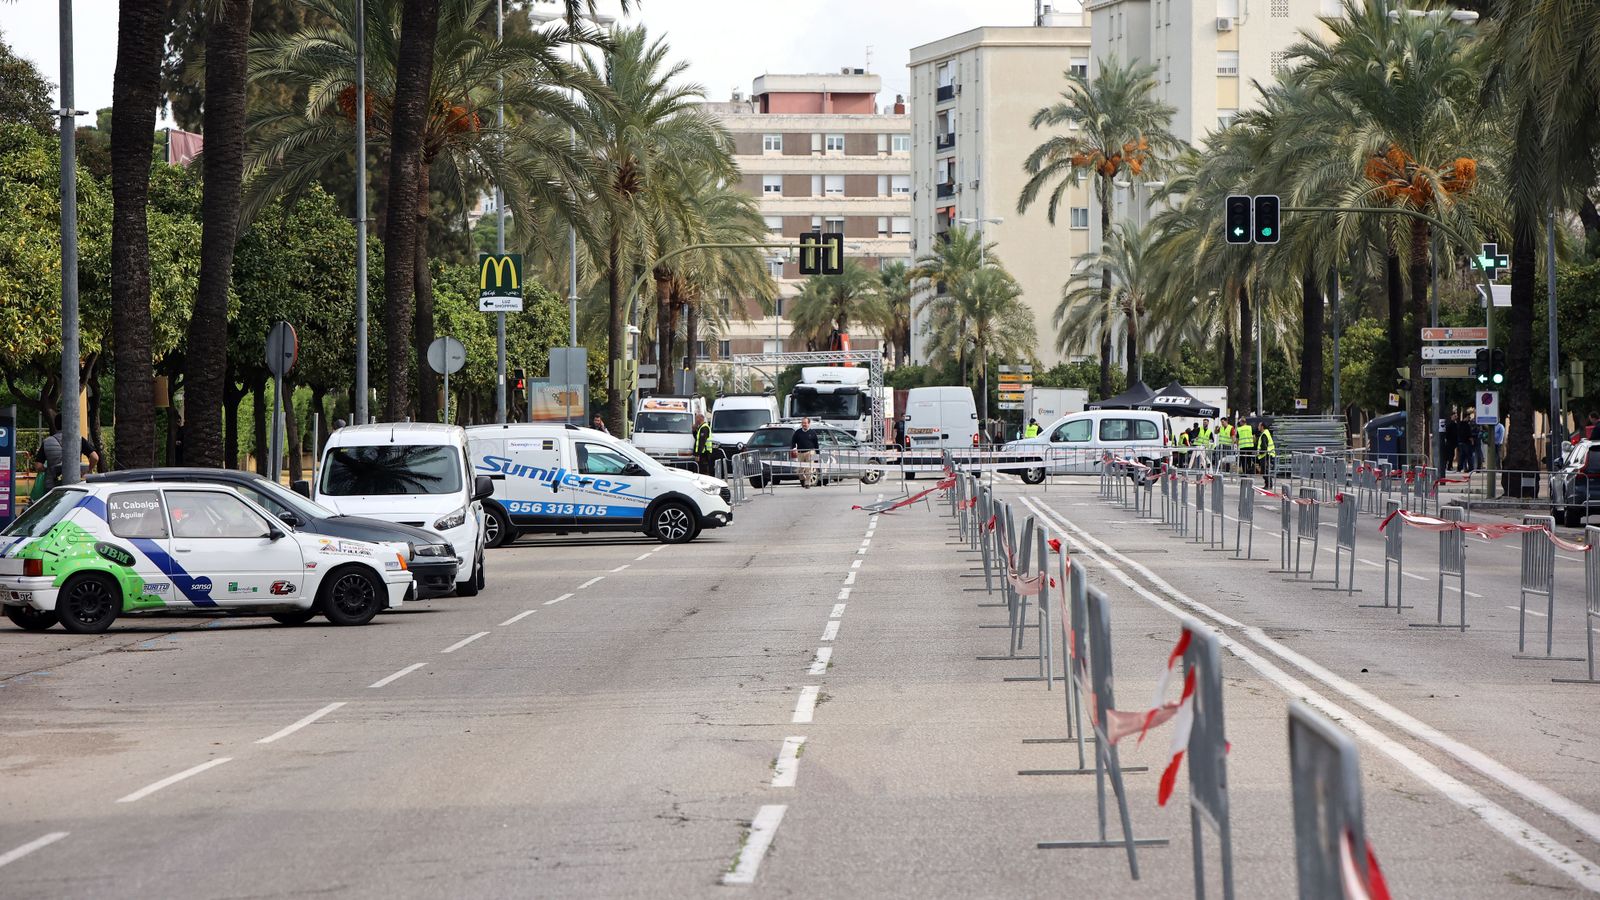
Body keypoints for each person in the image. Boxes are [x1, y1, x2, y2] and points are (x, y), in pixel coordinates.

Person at [35, 416, 100, 491]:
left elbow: (38, 466)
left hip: (52, 485)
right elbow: (95, 457)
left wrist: (49, 470)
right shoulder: (79, 440)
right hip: (74, 483)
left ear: (55, 425)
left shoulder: (47, 442)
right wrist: (88, 470)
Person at [790, 416, 820, 488]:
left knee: (809, 469)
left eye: (805, 423)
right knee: (800, 470)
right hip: (800, 453)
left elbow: (816, 444)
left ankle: (807, 483)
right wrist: (794, 448)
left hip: (810, 452)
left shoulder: (812, 433)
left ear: (809, 424)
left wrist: (817, 456)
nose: (804, 424)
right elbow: (793, 441)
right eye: (802, 423)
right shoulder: (798, 432)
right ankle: (802, 480)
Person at [1258, 420, 1277, 488]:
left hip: (1266, 455)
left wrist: (1259, 452)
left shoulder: (1264, 435)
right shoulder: (1266, 433)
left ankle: (1268, 485)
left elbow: (1264, 446)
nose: (1258, 427)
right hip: (1268, 454)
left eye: (1259, 426)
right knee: (1265, 471)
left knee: (1264, 471)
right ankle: (1268, 484)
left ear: (1262, 427)